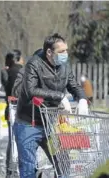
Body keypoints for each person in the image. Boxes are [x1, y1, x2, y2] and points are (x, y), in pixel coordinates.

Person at [14, 33, 88, 178]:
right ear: (49, 52)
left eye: (66, 50)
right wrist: (60, 96)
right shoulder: (34, 64)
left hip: (51, 125)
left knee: (63, 164)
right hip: (29, 123)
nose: (65, 54)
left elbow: (73, 85)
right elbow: (31, 90)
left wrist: (82, 99)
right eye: (61, 51)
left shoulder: (64, 66)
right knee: (28, 168)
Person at [4, 49, 24, 177]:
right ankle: (16, 168)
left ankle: (10, 168)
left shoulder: (7, 72)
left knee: (12, 140)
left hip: (11, 109)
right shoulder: (21, 71)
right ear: (18, 59)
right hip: (21, 110)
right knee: (20, 140)